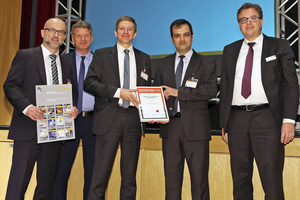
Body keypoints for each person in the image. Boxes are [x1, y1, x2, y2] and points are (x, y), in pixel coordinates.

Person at [219, 3, 299, 200]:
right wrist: (224, 123)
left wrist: (289, 120)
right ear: (238, 24)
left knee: (271, 181)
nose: (248, 23)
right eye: (243, 19)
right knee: (240, 181)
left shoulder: (279, 46)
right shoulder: (229, 50)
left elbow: (291, 85)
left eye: (253, 18)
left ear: (261, 21)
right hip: (236, 121)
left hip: (268, 120)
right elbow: (226, 88)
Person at [3, 18, 78, 200]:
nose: (56, 35)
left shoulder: (67, 63)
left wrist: (74, 108)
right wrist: (27, 107)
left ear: (64, 37)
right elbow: (10, 85)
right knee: (18, 185)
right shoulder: (26, 55)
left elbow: (72, 93)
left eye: (60, 32)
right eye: (52, 30)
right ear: (43, 33)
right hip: (28, 130)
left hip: (54, 132)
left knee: (46, 188)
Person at [84, 16, 151, 200]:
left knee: (129, 178)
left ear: (135, 34)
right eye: (122, 28)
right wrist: (117, 92)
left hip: (133, 120)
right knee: (99, 176)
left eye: (130, 29)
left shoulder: (144, 58)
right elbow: (89, 83)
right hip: (109, 118)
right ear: (115, 32)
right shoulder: (102, 54)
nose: (125, 32)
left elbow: (148, 90)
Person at [153, 19, 217, 200]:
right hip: (170, 128)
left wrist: (178, 92)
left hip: (196, 130)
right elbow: (157, 94)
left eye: (186, 35)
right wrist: (155, 113)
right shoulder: (163, 64)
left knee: (199, 183)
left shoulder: (206, 63)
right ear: (172, 39)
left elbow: (210, 90)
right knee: (171, 185)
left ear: (192, 37)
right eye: (177, 35)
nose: (182, 39)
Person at [53, 20, 95, 200]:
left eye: (86, 35)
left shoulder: (101, 61)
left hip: (94, 120)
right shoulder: (62, 60)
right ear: (72, 39)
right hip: (68, 119)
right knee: (61, 169)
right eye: (78, 35)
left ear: (92, 38)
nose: (83, 39)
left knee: (93, 171)